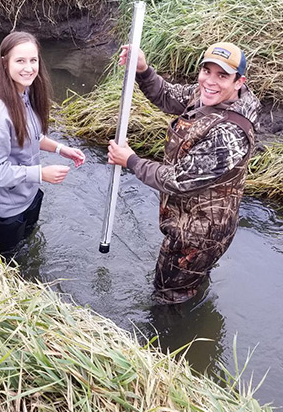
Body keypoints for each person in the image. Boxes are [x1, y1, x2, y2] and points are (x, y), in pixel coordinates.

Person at [107, 41, 260, 303]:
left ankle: (167, 339)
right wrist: (143, 70)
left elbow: (178, 179)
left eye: (222, 75)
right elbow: (166, 95)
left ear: (239, 81)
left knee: (168, 297)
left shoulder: (229, 133)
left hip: (199, 236)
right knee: (190, 285)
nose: (210, 81)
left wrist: (130, 161)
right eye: (206, 71)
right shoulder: (208, 95)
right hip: (187, 220)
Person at [0, 31, 85, 258]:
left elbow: (30, 136)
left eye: (33, 60)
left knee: (27, 250)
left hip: (28, 197)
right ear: (4, 63)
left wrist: (62, 149)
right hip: (2, 212)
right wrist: (41, 174)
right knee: (6, 265)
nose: (29, 68)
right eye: (20, 61)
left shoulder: (24, 93)